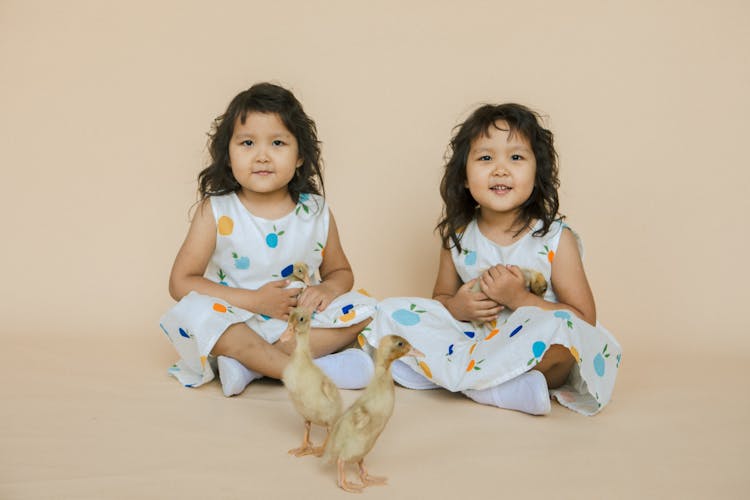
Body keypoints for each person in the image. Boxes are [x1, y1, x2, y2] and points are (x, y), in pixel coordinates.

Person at [364, 103, 621, 415]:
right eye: (486, 158)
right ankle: (493, 386)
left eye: (516, 158)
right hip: (476, 342)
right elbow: (440, 301)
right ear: (463, 176)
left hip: (532, 349)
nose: (500, 169)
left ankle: (460, 380)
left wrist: (519, 298)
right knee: (389, 311)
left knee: (563, 332)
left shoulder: (555, 238)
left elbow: (584, 321)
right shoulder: (457, 236)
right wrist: (457, 306)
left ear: (537, 172)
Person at [159, 82, 376, 397]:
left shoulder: (315, 212)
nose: (262, 156)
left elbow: (341, 272)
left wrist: (326, 289)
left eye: (277, 143)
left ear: (301, 156)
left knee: (369, 310)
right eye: (247, 143)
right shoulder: (217, 210)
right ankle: (298, 371)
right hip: (235, 323)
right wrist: (255, 302)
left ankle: (252, 366)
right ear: (228, 156)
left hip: (294, 326)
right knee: (197, 315)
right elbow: (180, 283)